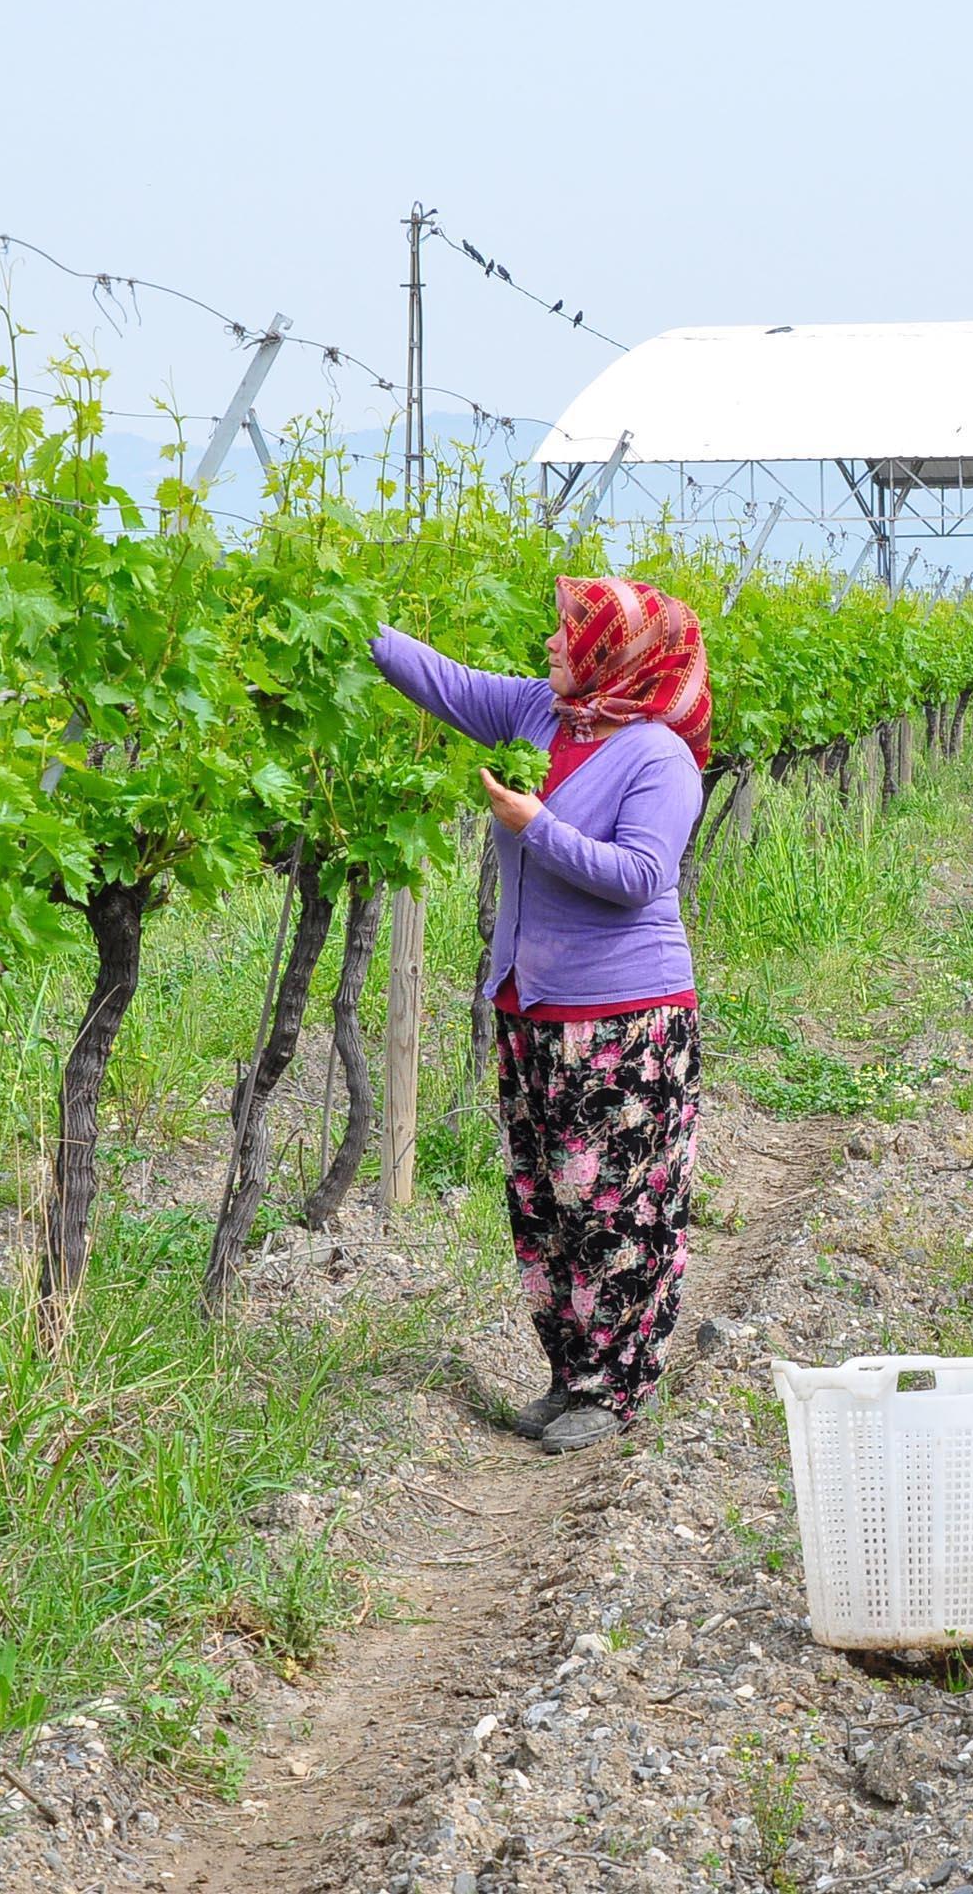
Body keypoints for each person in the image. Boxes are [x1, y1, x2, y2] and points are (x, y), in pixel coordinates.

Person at [371, 578, 711, 1453]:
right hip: (532, 1003)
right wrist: (350, 626)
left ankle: (617, 1386)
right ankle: (570, 1373)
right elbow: (446, 682)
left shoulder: (657, 758)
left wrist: (536, 825)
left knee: (616, 1206)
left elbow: (640, 875)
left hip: (624, 1017)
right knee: (543, 1199)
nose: (552, 641)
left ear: (615, 655)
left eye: (570, 631)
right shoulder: (541, 714)